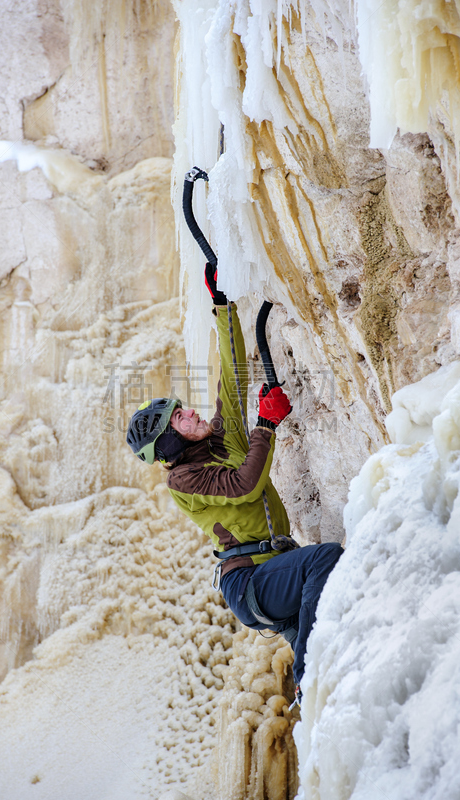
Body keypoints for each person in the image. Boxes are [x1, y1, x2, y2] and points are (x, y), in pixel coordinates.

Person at [127, 265, 343, 703]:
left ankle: (324, 688)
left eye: (184, 407)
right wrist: (265, 424)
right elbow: (244, 485)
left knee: (334, 608)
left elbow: (231, 375)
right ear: (169, 440)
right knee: (323, 561)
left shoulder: (219, 437)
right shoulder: (184, 481)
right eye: (179, 417)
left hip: (270, 570)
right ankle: (306, 678)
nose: (191, 413)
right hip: (250, 586)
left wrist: (222, 305)